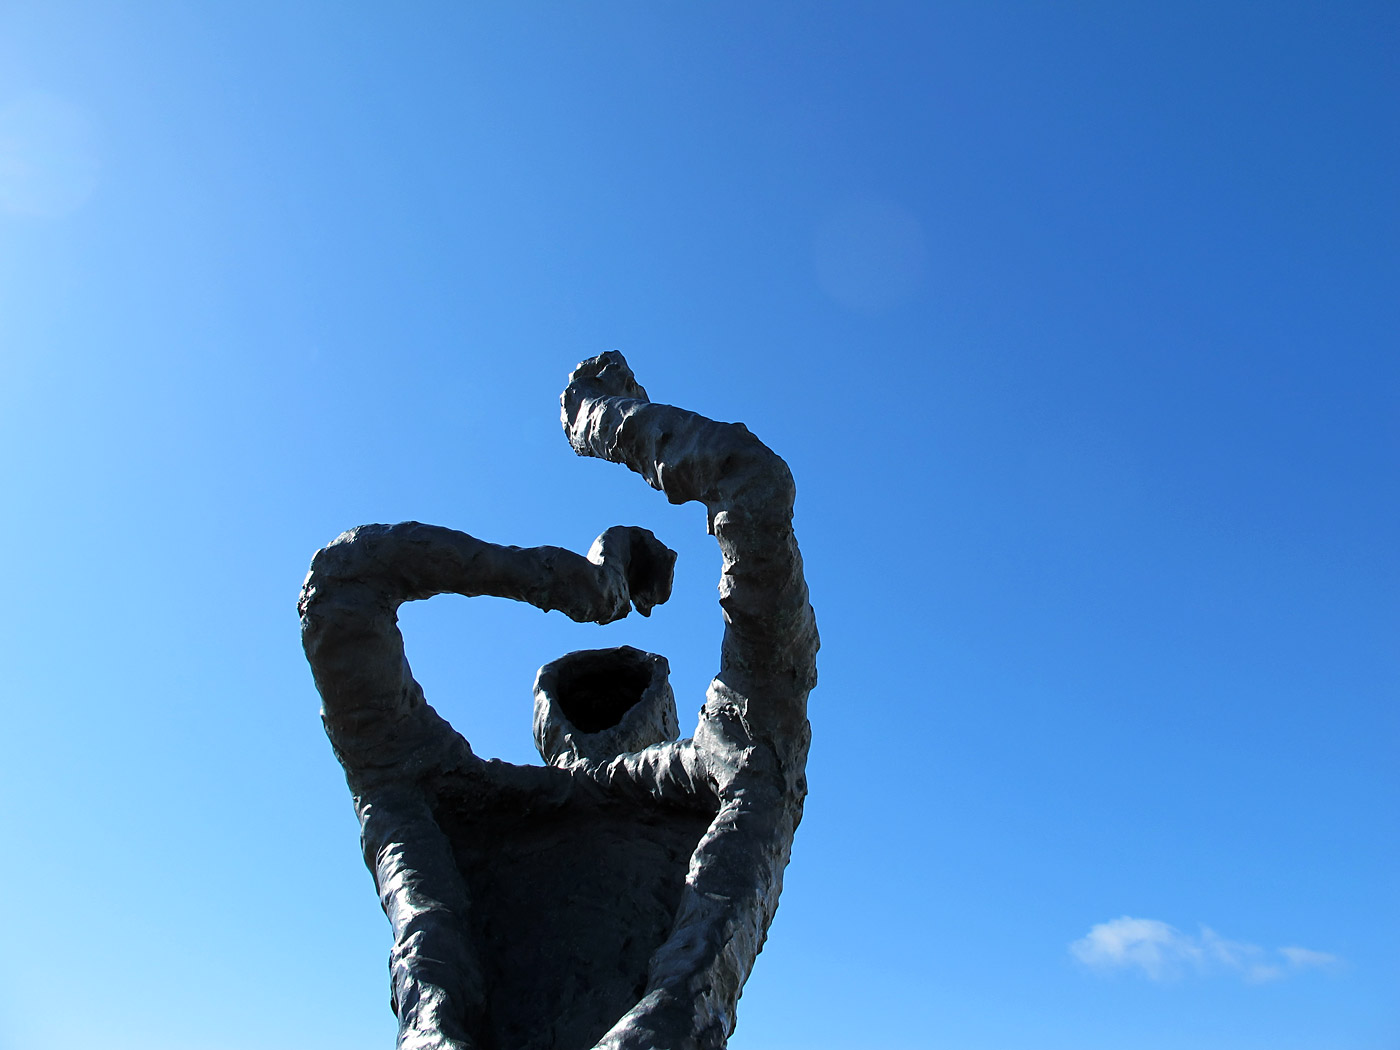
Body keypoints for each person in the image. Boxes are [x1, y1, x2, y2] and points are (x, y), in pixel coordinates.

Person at [299, 352, 818, 1050]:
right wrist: (578, 579)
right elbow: (339, 590)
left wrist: (597, 435)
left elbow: (343, 585)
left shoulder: (724, 774)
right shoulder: (444, 797)